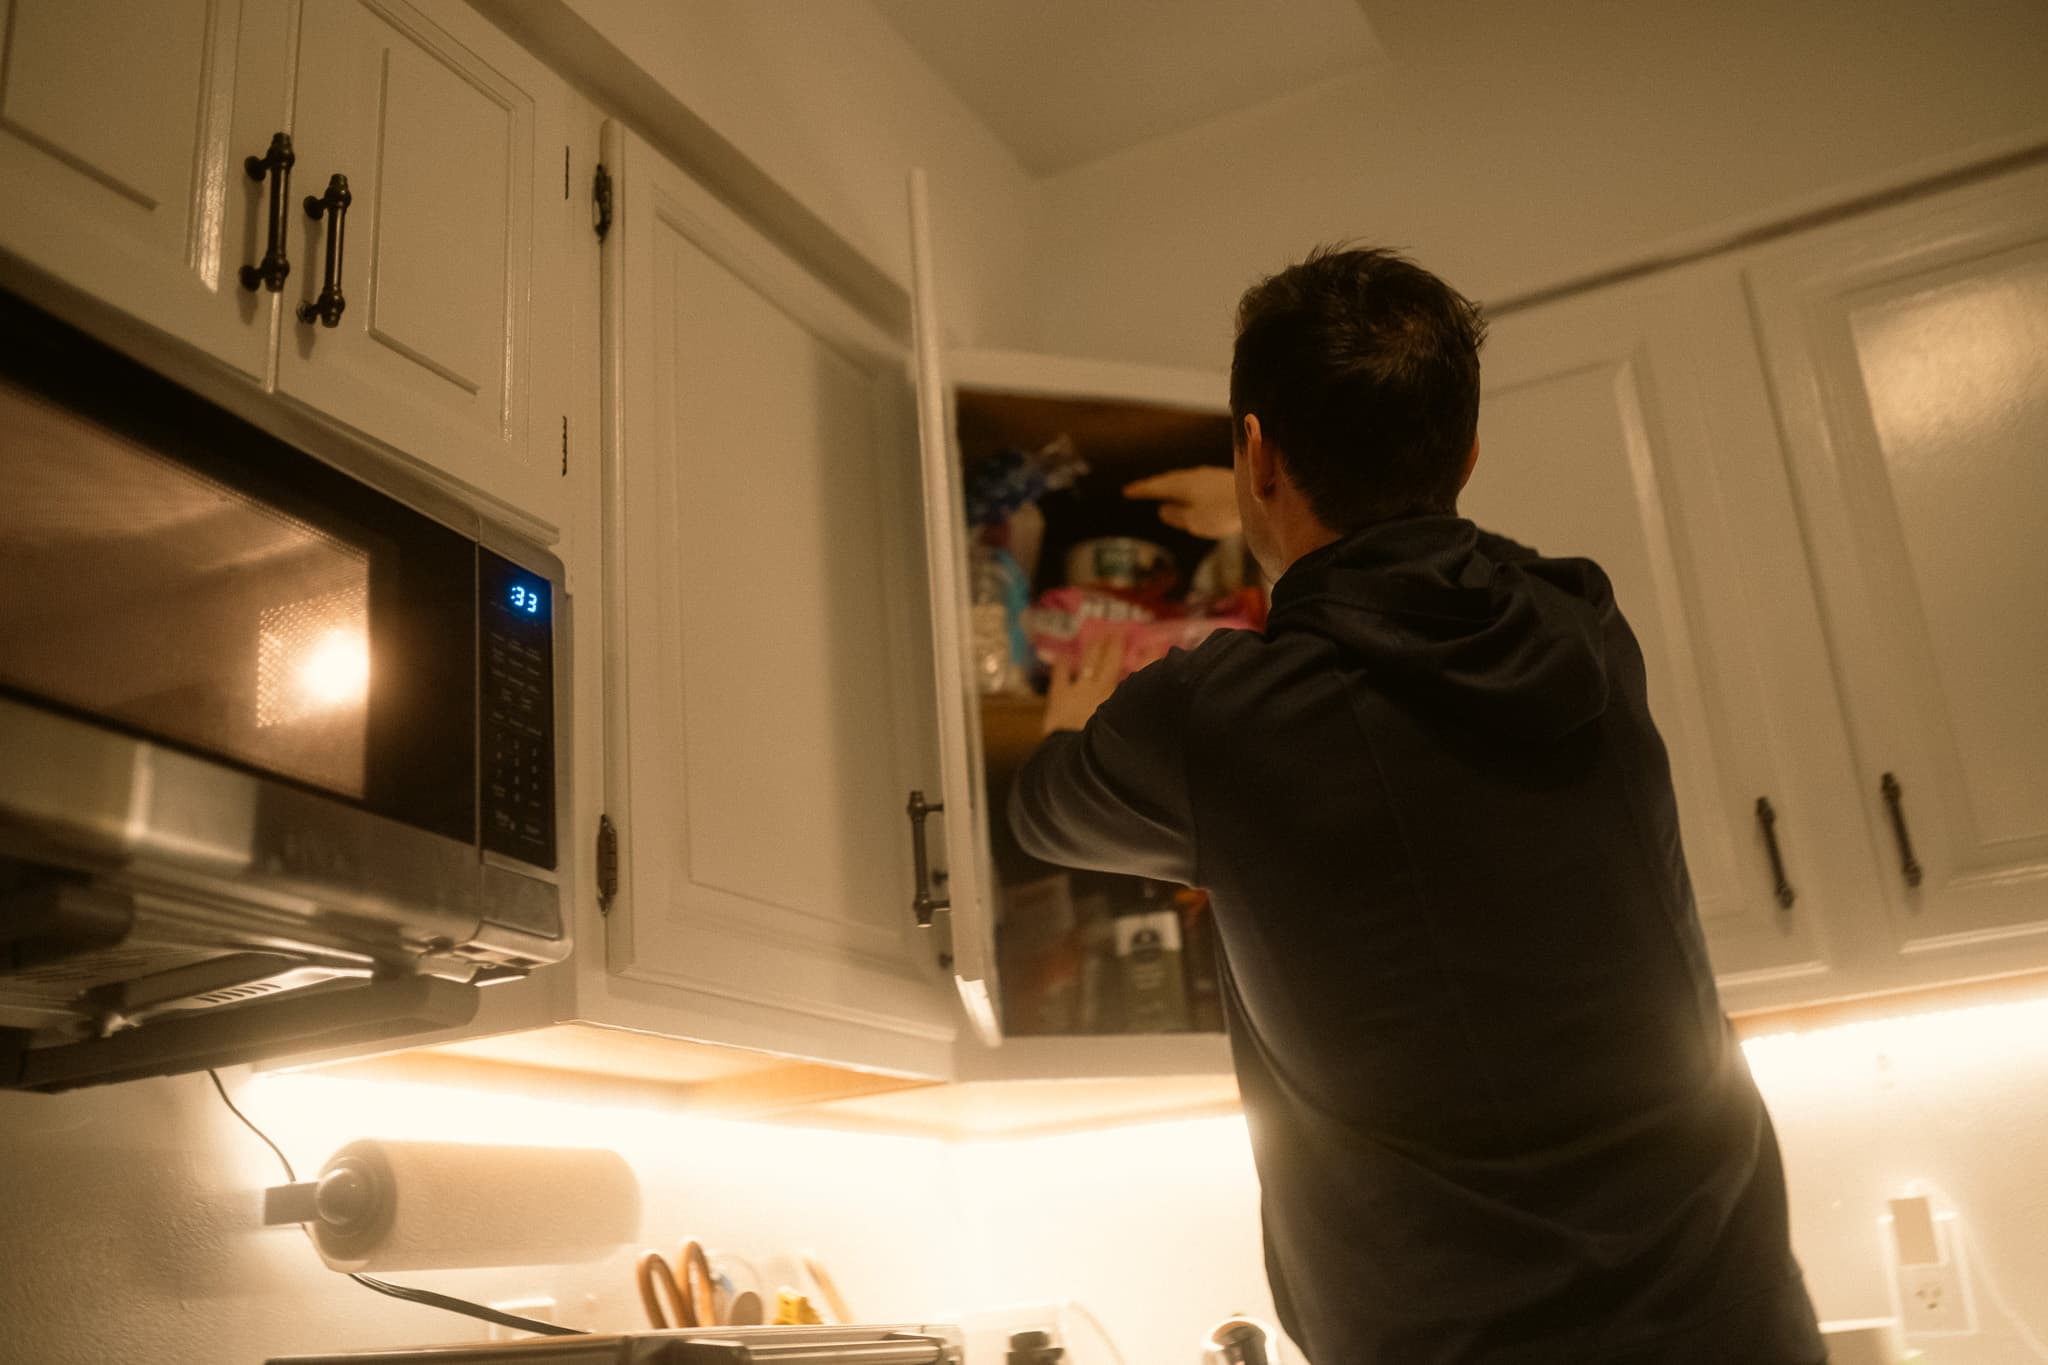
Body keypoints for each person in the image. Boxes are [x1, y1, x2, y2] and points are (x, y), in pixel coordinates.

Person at [1007, 247, 1825, 1364]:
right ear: (1469, 454)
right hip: (1734, 1328)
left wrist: (1066, 715)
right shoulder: (1583, 627)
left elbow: (1043, 813)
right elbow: (1416, 599)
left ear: (1255, 452)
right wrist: (1274, 511)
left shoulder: (1215, 721)